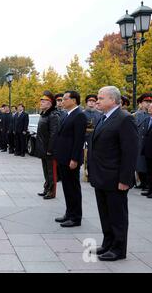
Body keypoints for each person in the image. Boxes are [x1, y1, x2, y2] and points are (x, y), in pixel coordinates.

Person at [88, 86, 138, 261]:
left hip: (115, 177)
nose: (97, 101)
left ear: (113, 100)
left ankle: (118, 249)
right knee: (105, 213)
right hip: (101, 176)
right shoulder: (104, 118)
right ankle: (108, 243)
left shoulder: (124, 119)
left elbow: (130, 152)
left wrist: (125, 179)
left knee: (117, 215)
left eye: (101, 98)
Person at [53, 90, 87, 227]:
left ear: (74, 100)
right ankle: (69, 213)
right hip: (63, 157)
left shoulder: (79, 115)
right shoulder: (67, 114)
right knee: (67, 187)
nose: (62, 101)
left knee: (73, 188)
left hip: (70, 159)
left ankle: (76, 217)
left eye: (65, 99)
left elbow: (78, 140)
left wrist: (74, 159)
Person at [35, 91, 60, 199]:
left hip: (49, 149)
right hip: (43, 148)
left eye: (44, 101)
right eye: (41, 101)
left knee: (51, 171)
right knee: (46, 170)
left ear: (50, 103)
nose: (41, 103)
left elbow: (54, 134)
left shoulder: (53, 115)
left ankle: (52, 191)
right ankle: (46, 188)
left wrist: (50, 149)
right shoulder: (44, 114)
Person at [134, 93, 152, 190]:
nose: (148, 104)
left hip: (149, 144)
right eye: (146, 102)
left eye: (150, 102)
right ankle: (142, 182)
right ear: (140, 103)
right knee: (139, 163)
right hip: (138, 143)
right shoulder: (135, 115)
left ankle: (148, 183)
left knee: (148, 164)